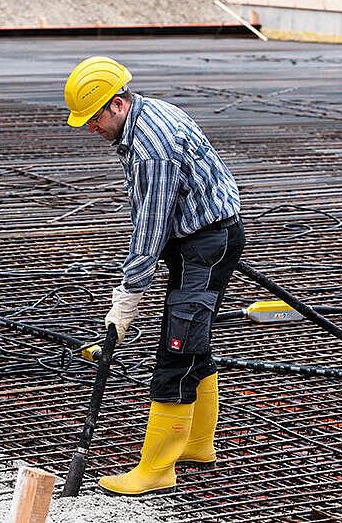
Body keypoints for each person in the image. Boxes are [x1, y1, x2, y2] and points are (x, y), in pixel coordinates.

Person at [63, 56, 245, 495]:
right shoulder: (149, 116)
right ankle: (198, 446)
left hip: (205, 243)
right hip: (201, 238)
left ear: (118, 104)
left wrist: (127, 298)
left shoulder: (151, 150)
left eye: (93, 118)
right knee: (192, 342)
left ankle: (157, 469)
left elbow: (150, 229)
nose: (90, 128)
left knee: (176, 351)